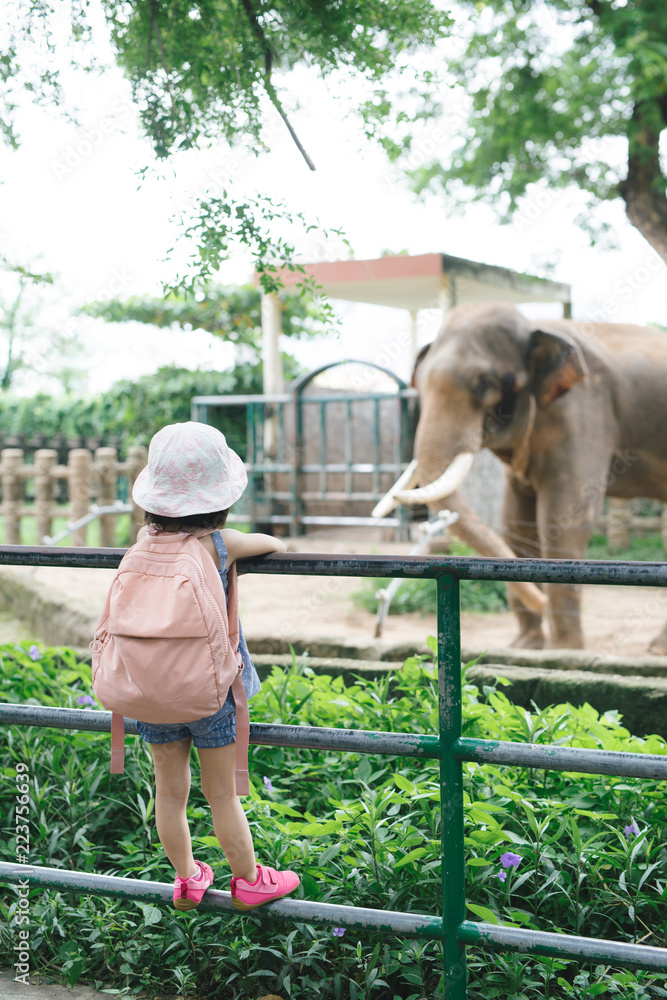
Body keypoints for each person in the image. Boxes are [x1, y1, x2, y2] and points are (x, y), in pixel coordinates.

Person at [131, 421, 300, 912]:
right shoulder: (218, 545)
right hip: (210, 693)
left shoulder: (143, 545)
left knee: (170, 792)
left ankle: (186, 878)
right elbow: (276, 545)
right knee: (222, 794)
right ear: (221, 497)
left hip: (150, 691)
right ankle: (248, 880)